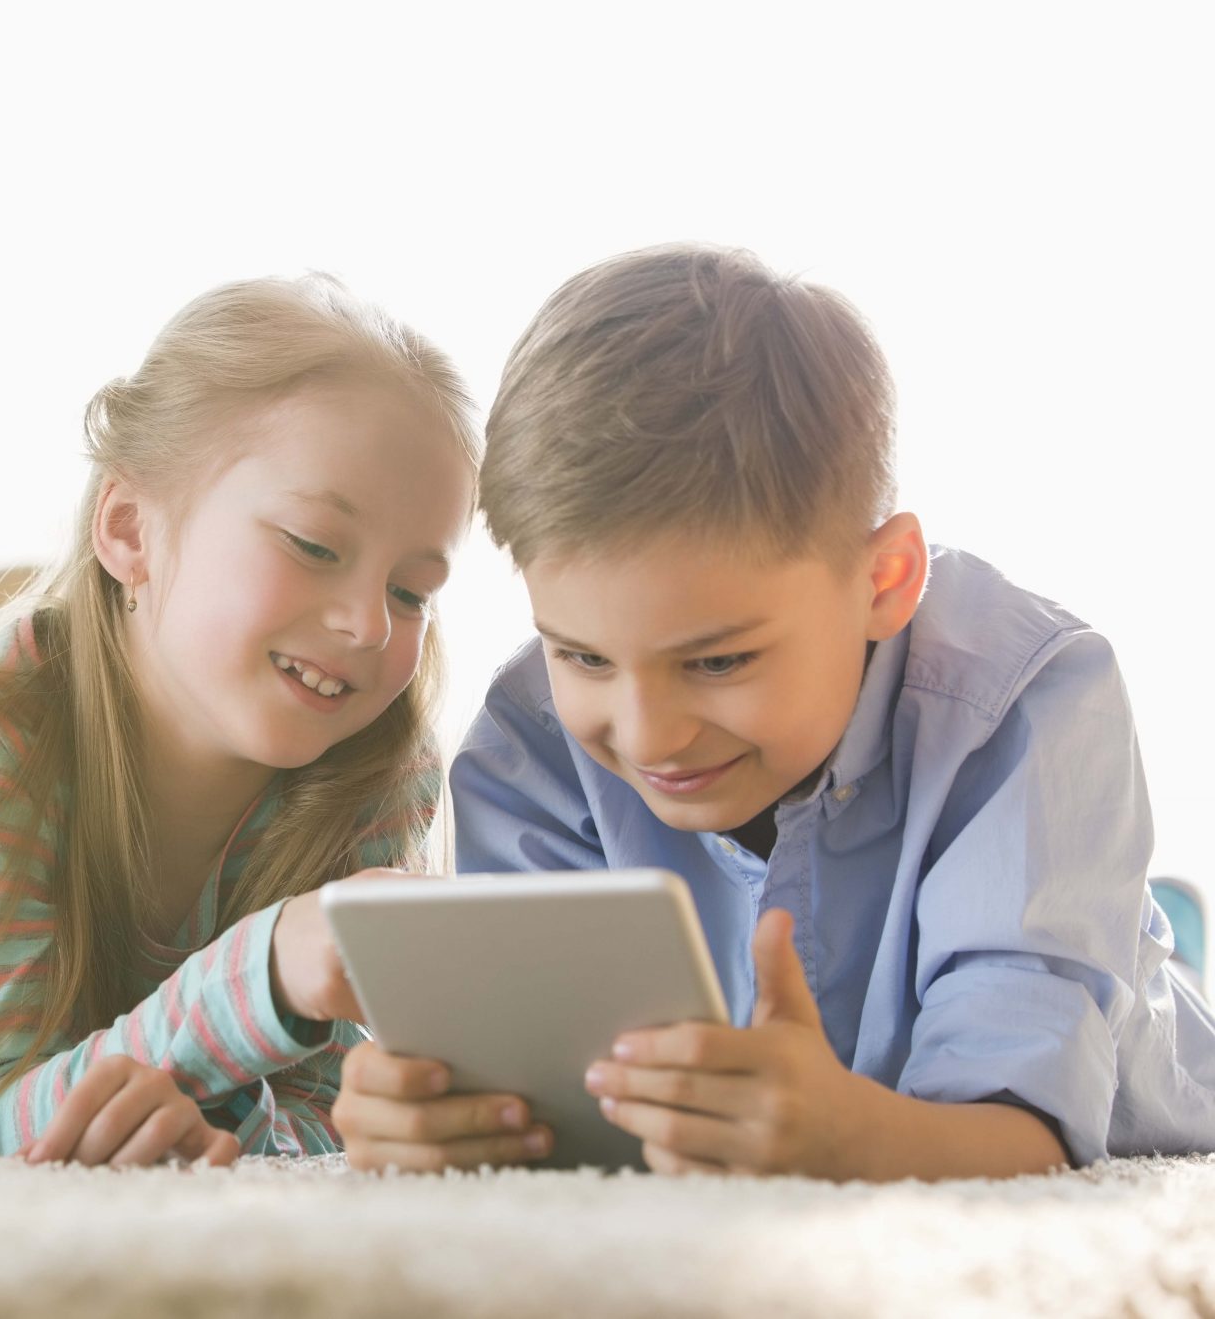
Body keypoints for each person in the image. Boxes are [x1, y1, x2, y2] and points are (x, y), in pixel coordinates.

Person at [333, 243, 1215, 1179]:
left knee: (1088, 956)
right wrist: (442, 1114)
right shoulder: (529, 737)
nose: (645, 735)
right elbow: (553, 1102)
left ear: (885, 580)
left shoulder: (1028, 700)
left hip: (1128, 1067)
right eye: (583, 655)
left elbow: (1027, 1130)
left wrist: (852, 1140)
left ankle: (1154, 924)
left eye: (717, 660)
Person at [0, 273, 513, 1165]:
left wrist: (228, 1130)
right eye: (314, 546)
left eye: (411, 590)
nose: (369, 624)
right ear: (129, 530)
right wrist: (270, 968)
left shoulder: (382, 768)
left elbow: (329, 1121)